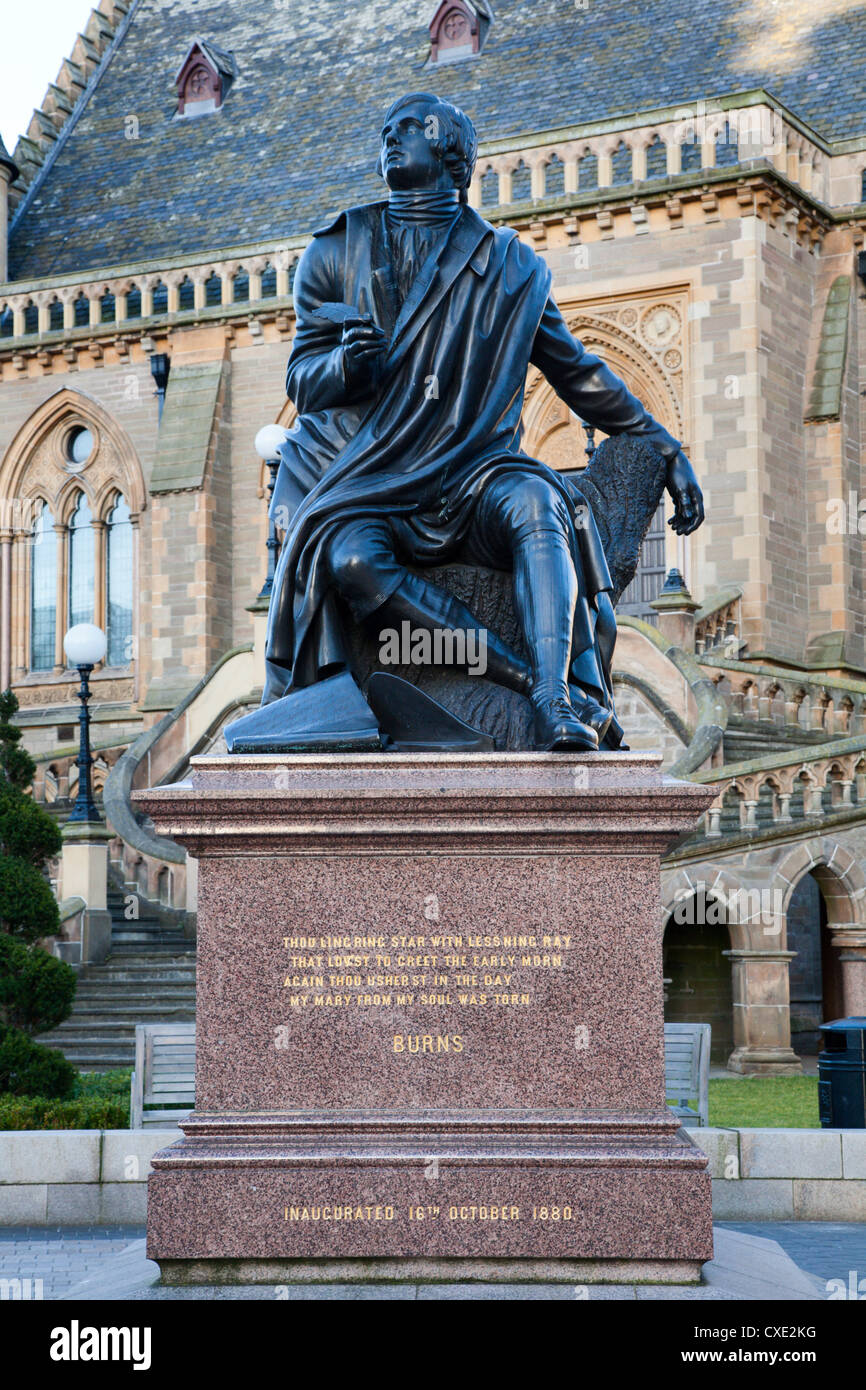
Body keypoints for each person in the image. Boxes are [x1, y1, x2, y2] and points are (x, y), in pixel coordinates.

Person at [264, 92, 703, 751]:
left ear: (454, 157)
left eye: (409, 129)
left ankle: (557, 700)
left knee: (536, 502)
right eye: (386, 130)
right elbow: (303, 378)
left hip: (470, 474)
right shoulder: (335, 252)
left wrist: (661, 443)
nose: (391, 138)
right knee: (352, 559)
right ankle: (522, 673)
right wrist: (348, 372)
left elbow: (576, 371)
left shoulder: (510, 265)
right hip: (371, 478)